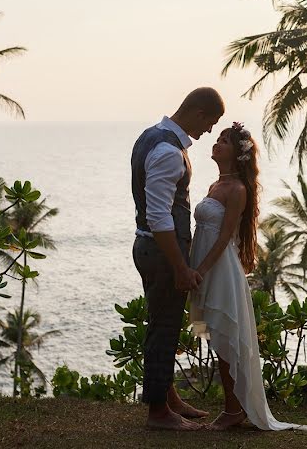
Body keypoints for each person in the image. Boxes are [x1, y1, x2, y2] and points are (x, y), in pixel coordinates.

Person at [189, 122, 307, 432]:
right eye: (217, 139)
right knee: (217, 340)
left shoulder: (237, 189)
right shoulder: (215, 186)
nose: (217, 144)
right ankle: (233, 408)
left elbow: (223, 239)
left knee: (225, 340)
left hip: (219, 269)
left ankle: (234, 411)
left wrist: (201, 270)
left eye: (224, 141)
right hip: (203, 266)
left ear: (237, 153)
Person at [130, 87, 223, 431]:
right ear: (198, 112)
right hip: (162, 250)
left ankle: (168, 397)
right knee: (165, 327)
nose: (209, 131)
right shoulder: (169, 151)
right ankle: (158, 413)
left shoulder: (150, 137)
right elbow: (160, 217)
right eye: (210, 122)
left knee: (161, 321)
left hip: (149, 246)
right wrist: (181, 266)